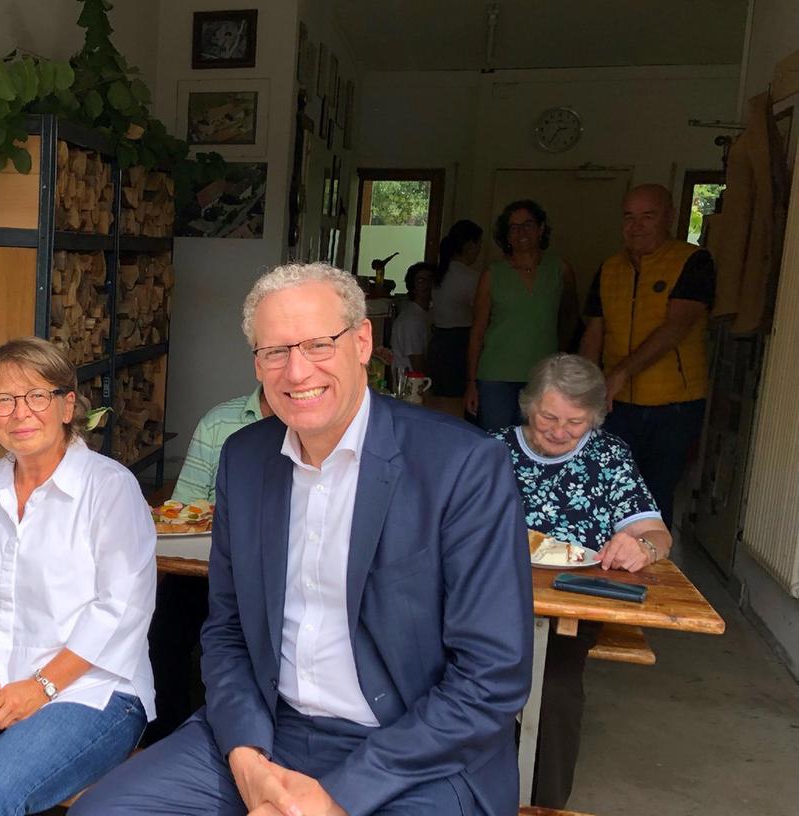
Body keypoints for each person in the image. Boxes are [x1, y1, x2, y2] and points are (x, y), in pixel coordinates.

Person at [74, 263, 533, 816]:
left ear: (362, 342)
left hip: (417, 750)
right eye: (275, 351)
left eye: (319, 344)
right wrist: (246, 756)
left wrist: (339, 794)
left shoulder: (460, 465)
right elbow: (226, 633)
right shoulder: (245, 459)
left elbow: (492, 678)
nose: (297, 371)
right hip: (269, 728)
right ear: (257, 364)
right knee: (105, 811)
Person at [0, 337, 156, 816]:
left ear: (66, 406)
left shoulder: (109, 488)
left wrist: (39, 688)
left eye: (37, 396)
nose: (21, 412)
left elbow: (120, 609)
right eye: (4, 399)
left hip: (92, 691)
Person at [494, 353, 671, 808]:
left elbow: (657, 534)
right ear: (527, 405)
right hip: (492, 600)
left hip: (572, 605)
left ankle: (543, 803)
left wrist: (642, 548)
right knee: (471, 676)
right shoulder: (491, 450)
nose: (558, 430)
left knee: (553, 687)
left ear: (594, 418)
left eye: (575, 422)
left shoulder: (608, 455)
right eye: (548, 416)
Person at [580, 184, 713, 525]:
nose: (636, 226)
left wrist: (621, 372)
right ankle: (604, 565)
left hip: (674, 404)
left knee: (654, 492)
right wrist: (581, 386)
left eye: (647, 216)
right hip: (616, 402)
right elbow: (595, 330)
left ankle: (653, 572)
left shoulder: (692, 261)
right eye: (629, 216)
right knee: (607, 485)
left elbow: (676, 327)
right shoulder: (609, 268)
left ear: (669, 217)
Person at [147, 385, 273, 746]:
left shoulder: (313, 423)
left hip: (275, 573)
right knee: (164, 632)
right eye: (274, 353)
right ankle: (166, 737)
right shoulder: (220, 421)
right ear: (259, 362)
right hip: (212, 564)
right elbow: (185, 506)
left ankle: (246, 739)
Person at [466, 200, 578, 432]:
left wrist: (558, 355)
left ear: (541, 228)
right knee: (498, 446)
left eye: (527, 224)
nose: (521, 233)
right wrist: (471, 383)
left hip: (543, 376)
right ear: (506, 235)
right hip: (496, 376)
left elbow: (569, 317)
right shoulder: (493, 274)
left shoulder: (560, 270)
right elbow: (477, 331)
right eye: (513, 228)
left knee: (539, 444)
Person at [428, 219, 484, 417]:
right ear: (469, 245)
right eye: (478, 245)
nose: (479, 251)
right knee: (458, 403)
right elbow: (482, 314)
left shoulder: (440, 274)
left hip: (438, 342)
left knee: (440, 400)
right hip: (459, 343)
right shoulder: (470, 277)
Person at [389, 262, 435, 375]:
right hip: (409, 384)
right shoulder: (410, 319)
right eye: (421, 281)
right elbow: (417, 363)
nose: (427, 285)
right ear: (412, 287)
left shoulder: (430, 313)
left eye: (430, 280)